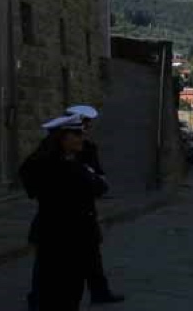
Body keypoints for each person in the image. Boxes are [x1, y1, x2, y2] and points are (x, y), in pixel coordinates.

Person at [20, 114, 108, 310]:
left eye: (81, 134)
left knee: (69, 291)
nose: (81, 138)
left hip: (73, 236)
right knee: (58, 291)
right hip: (61, 237)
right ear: (62, 138)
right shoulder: (62, 167)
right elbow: (99, 186)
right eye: (75, 134)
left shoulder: (68, 163)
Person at [65, 104, 125, 304]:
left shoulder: (88, 148)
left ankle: (100, 291)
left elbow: (98, 178)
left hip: (84, 210)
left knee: (91, 255)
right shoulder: (52, 153)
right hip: (63, 213)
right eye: (82, 126)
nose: (84, 131)